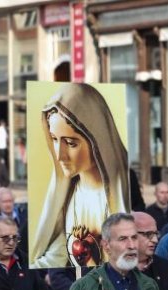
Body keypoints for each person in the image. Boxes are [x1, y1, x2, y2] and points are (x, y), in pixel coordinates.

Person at [31, 83, 130, 269]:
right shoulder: (68, 194)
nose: (60, 155)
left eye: (70, 143)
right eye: (54, 139)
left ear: (97, 141)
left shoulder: (120, 191)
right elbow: (59, 253)